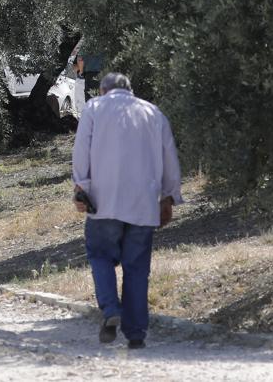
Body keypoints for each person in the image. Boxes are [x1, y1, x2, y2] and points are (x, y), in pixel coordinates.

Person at [72, 72, 182, 350]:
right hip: (142, 204)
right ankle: (136, 334)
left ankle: (111, 310)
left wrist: (81, 187)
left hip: (103, 201)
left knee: (100, 255)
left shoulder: (94, 108)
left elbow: (81, 149)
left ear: (103, 89)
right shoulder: (153, 113)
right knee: (137, 268)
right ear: (130, 90)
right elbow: (170, 156)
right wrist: (168, 197)